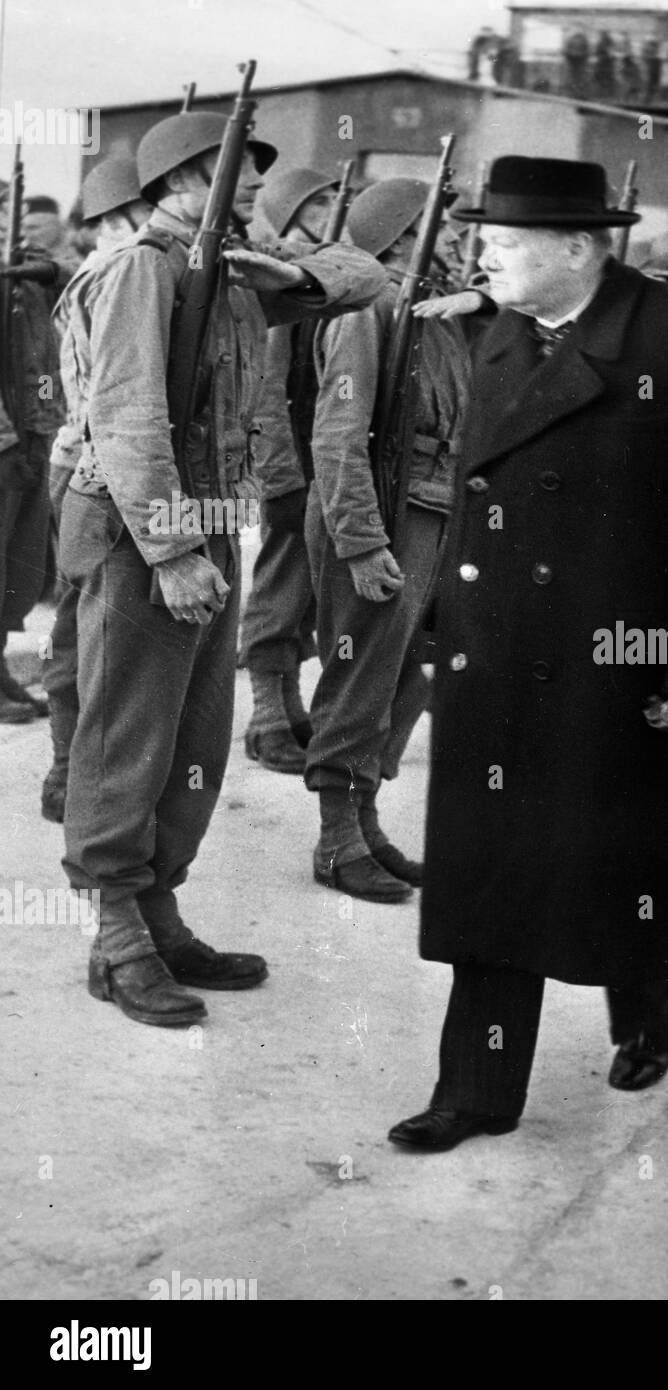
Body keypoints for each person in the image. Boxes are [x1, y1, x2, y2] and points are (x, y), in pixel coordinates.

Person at [386, 156, 668, 1151]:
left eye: (506, 243)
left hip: (628, 665)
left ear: (577, 249)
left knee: (627, 871)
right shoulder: (500, 338)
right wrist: (447, 626)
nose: (484, 256)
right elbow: (482, 509)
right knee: (490, 874)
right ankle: (475, 1089)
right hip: (503, 656)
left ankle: (646, 998)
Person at [58, 111, 384, 1028]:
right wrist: (170, 551)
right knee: (127, 739)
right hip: (142, 535)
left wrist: (295, 274)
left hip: (208, 526)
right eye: (238, 171)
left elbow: (369, 276)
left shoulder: (231, 273)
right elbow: (126, 417)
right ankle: (118, 935)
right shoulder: (138, 271)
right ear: (182, 181)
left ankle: (161, 912)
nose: (254, 188)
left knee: (195, 742)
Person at [305, 177, 478, 904]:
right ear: (406, 235)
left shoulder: (435, 312)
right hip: (378, 512)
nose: (461, 241)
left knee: (406, 674)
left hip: (432, 509)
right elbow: (338, 436)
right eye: (446, 228)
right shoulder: (365, 311)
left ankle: (365, 820)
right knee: (361, 673)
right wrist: (361, 541)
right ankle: (336, 839)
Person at [41, 157, 152, 816]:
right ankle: (67, 770)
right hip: (88, 462)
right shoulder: (111, 274)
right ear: (116, 220)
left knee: (84, 627)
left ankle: (71, 772)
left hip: (91, 459)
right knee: (82, 629)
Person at [237, 166, 339, 775]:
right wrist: (280, 476)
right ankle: (267, 716)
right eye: (320, 202)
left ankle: (290, 704)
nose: (331, 211)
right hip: (292, 462)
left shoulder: (318, 272)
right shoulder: (277, 277)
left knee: (306, 597)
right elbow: (267, 386)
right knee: (281, 590)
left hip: (321, 454)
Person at [0, 187, 72, 723]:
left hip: (34, 438)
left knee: (19, 569)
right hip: (5, 448)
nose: (11, 222)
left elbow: (74, 273)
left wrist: (46, 428)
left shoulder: (25, 276)